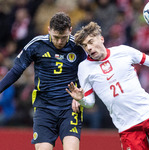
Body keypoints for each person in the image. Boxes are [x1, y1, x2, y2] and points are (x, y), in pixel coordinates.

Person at [66, 21, 149, 150]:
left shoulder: (123, 51)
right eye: (84, 46)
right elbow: (89, 103)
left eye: (90, 42)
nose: (89, 48)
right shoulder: (84, 68)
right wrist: (80, 99)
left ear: (101, 39)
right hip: (127, 127)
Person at [0, 12, 86, 150]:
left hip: (70, 108)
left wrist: (83, 94)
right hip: (44, 108)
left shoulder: (79, 47)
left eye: (63, 38)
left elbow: (90, 73)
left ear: (70, 30)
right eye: (56, 37)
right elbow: (16, 71)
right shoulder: (37, 45)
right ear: (48, 30)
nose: (59, 42)